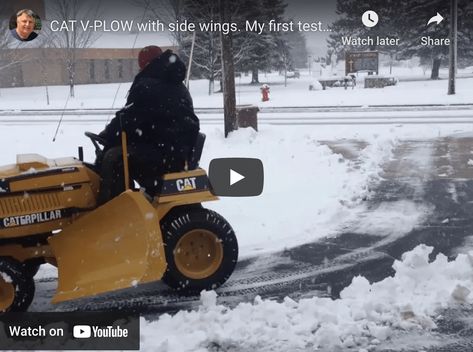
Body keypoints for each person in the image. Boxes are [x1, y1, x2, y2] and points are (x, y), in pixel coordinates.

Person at [97, 46, 200, 204]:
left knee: (113, 158)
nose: (140, 69)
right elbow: (140, 117)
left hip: (166, 152)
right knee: (115, 153)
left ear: (146, 64)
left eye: (141, 65)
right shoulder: (170, 81)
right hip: (173, 147)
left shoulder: (149, 84)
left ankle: (109, 208)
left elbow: (129, 118)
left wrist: (110, 133)